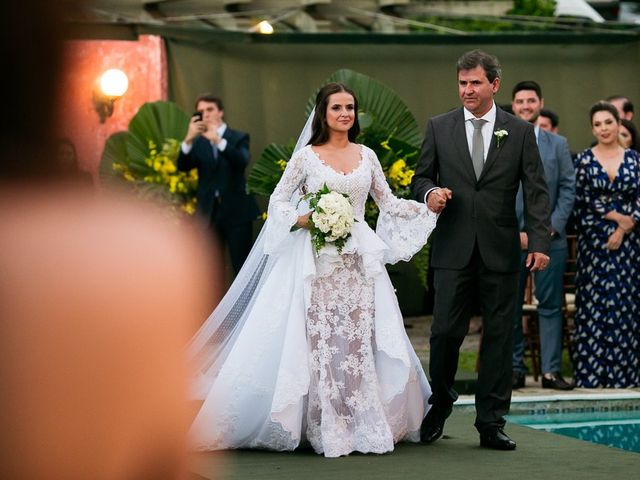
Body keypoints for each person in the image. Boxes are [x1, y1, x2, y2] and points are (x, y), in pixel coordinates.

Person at [186, 82, 438, 458]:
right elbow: (278, 201)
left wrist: (428, 206)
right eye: (337, 108)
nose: (344, 114)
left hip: (357, 262)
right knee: (319, 339)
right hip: (317, 262)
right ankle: (322, 421)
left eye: (350, 108)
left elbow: (387, 202)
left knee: (355, 339)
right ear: (323, 113)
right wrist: (306, 219)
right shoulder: (307, 157)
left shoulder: (367, 155)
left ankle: (358, 418)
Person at [411, 50, 551, 451]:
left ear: (494, 84)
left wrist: (539, 242)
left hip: (501, 251)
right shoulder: (439, 127)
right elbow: (421, 177)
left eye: (475, 82)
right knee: (443, 333)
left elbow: (537, 192)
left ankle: (491, 422)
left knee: (499, 339)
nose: (467, 90)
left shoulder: (519, 132)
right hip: (452, 249)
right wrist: (431, 193)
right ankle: (440, 402)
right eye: (462, 83)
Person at [510, 81, 575, 391]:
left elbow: (567, 189)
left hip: (550, 238)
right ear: (512, 104)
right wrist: (515, 233)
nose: (525, 106)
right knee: (509, 305)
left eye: (531, 100)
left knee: (550, 305)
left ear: (540, 103)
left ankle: (550, 371)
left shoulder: (558, 144)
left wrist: (548, 229)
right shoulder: (501, 141)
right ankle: (514, 369)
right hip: (511, 239)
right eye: (520, 101)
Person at [572, 101, 639, 388]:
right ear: (593, 128)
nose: (603, 129)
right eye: (597, 124)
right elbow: (583, 200)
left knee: (626, 305)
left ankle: (625, 375)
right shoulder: (584, 160)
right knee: (594, 306)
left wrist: (626, 226)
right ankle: (592, 375)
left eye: (608, 123)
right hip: (595, 243)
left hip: (630, 245)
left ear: (618, 124)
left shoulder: (635, 159)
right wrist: (615, 220)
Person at [178, 94, 260, 274]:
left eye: (210, 109)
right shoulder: (198, 142)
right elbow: (182, 167)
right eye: (201, 111)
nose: (205, 114)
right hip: (208, 213)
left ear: (220, 112)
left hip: (237, 212)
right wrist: (189, 139)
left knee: (241, 266)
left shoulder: (238, 137)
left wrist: (217, 140)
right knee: (210, 270)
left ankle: (245, 303)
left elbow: (241, 161)